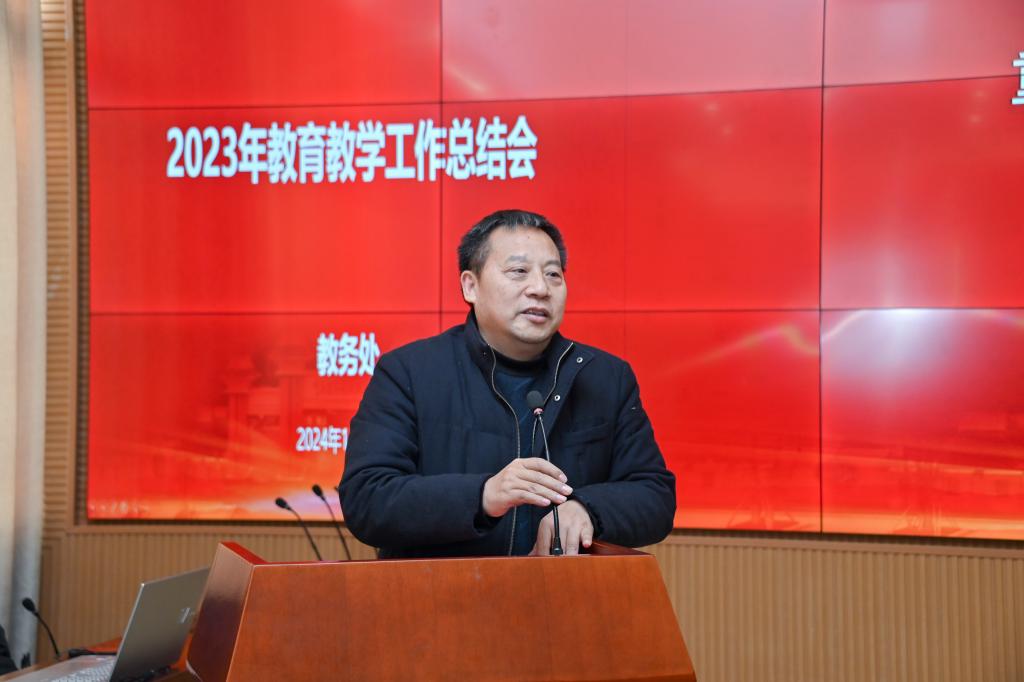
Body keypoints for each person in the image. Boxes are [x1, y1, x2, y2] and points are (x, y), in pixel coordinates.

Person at [339, 209, 675, 558]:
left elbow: (655, 497)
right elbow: (367, 499)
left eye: (553, 274)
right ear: (470, 286)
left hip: (564, 591)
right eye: (519, 272)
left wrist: (586, 507)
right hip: (442, 591)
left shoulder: (605, 377)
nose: (540, 289)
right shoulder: (408, 372)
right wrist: (484, 496)